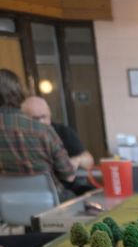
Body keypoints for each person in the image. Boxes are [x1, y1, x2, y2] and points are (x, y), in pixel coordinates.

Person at [0, 69, 75, 199]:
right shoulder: (43, 130)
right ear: (19, 92)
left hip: (5, 207)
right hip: (50, 204)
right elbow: (69, 176)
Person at [21, 96, 94, 171]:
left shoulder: (63, 131)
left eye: (44, 116)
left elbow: (89, 161)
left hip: (64, 180)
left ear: (50, 113)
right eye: (35, 119)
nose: (41, 122)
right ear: (24, 118)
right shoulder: (19, 136)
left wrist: (77, 160)